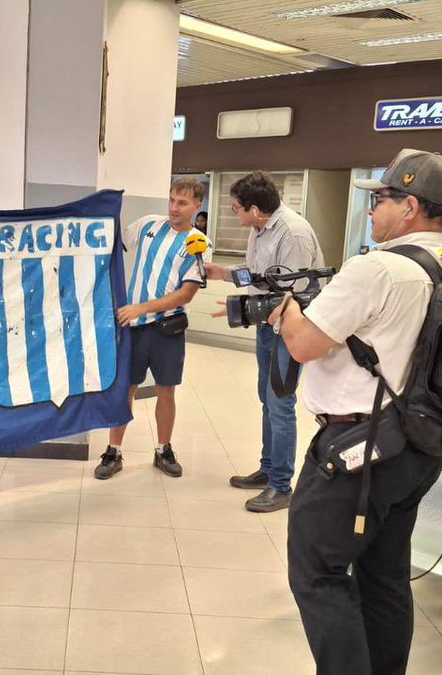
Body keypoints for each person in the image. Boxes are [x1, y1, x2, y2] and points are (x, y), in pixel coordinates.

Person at [267, 148, 442, 675]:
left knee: (318, 574)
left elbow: (304, 344)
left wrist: (287, 312)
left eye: (382, 199)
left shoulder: (376, 268)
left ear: (411, 206)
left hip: (356, 452)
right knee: (384, 575)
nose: (373, 210)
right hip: (412, 447)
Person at [204, 171, 325, 513]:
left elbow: (296, 291)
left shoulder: (294, 233)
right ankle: (269, 468)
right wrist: (224, 274)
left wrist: (248, 310)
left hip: (289, 328)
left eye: (236, 209)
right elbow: (261, 276)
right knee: (266, 397)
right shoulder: (260, 230)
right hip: (266, 325)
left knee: (280, 402)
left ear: (254, 209)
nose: (234, 213)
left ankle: (281, 485)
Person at [95, 178, 211, 480]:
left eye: (182, 203)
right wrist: (103, 207)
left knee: (166, 391)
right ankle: (113, 451)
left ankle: (163, 449)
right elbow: (113, 240)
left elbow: (186, 294)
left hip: (167, 329)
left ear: (197, 206)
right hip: (132, 327)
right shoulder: (149, 225)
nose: (174, 208)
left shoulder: (199, 244)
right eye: (172, 200)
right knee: (126, 389)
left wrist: (142, 307)